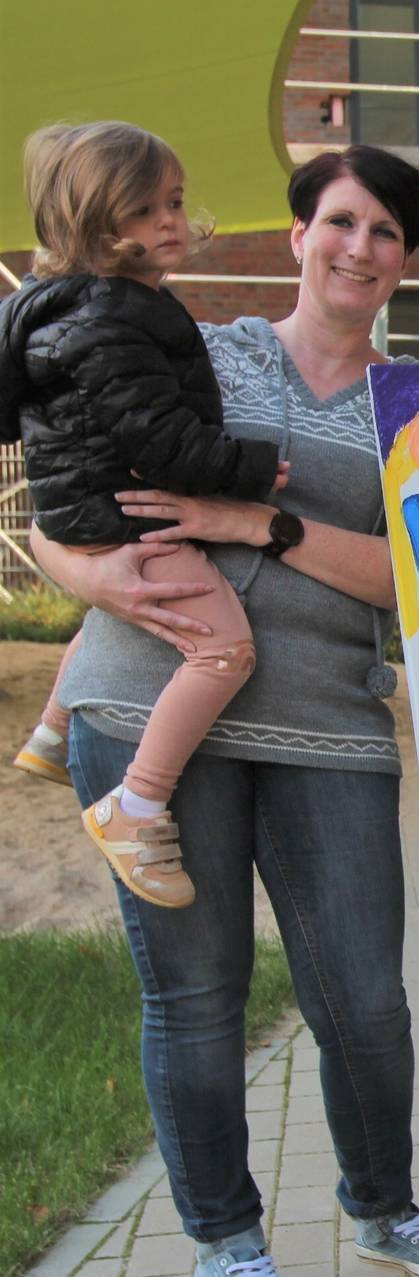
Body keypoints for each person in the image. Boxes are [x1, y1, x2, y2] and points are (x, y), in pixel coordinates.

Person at [27, 145, 419, 1277]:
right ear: (298, 234)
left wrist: (256, 520)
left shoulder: (418, 408)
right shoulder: (200, 346)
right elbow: (59, 486)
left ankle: (384, 1206)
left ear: (404, 258)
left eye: (386, 231)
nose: (359, 247)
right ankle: (225, 1243)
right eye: (340, 220)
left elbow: (418, 582)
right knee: (197, 995)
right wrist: (81, 572)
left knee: (366, 1001)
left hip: (329, 726)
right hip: (146, 703)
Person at [2, 122, 288, 908]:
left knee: (130, 607)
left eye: (175, 202)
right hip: (125, 507)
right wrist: (251, 470)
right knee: (223, 650)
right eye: (148, 210)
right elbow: (157, 438)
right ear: (100, 226)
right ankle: (135, 804)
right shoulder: (111, 321)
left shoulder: (69, 310)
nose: (172, 221)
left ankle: (55, 727)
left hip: (86, 500)